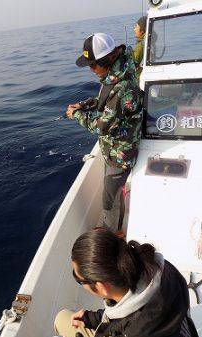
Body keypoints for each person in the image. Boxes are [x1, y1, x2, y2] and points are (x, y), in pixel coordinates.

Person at [54, 228, 199, 337]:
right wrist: (93, 318)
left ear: (102, 287)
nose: (78, 281)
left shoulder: (133, 332)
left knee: (61, 319)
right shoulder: (162, 268)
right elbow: (130, 314)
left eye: (79, 280)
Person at [66, 33, 142, 230]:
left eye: (92, 65)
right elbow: (106, 100)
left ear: (106, 60)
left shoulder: (121, 86)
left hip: (120, 153)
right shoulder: (119, 71)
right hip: (115, 147)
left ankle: (111, 235)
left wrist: (76, 115)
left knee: (109, 200)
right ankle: (116, 226)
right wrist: (83, 105)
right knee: (114, 193)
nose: (91, 70)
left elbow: (101, 126)